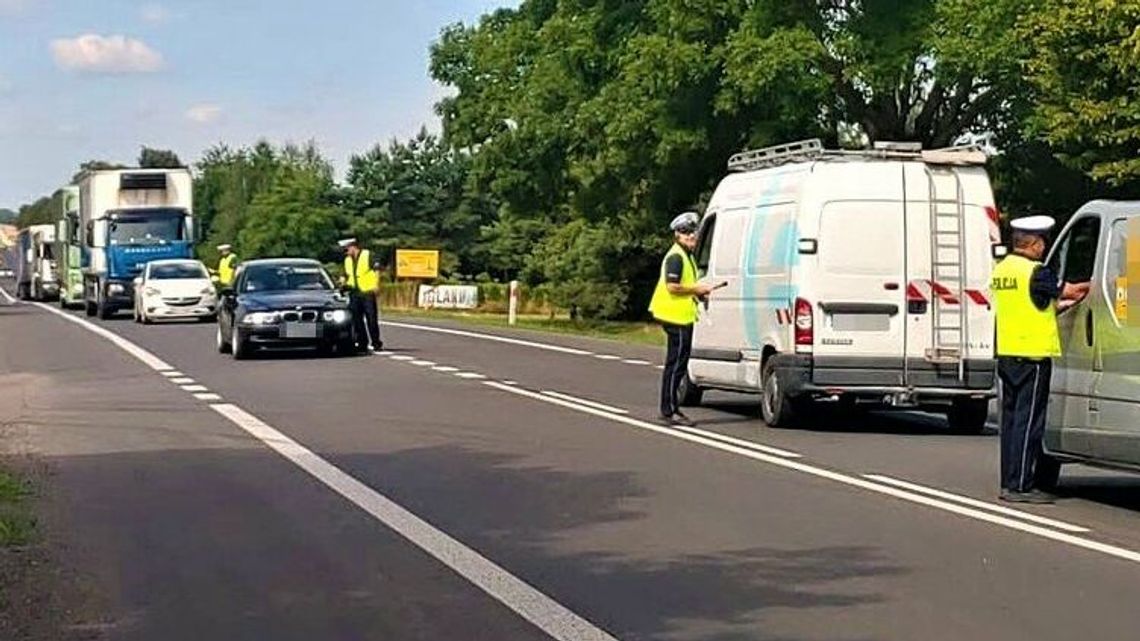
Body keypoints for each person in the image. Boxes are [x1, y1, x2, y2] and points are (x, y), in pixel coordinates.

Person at [991, 215, 1090, 504]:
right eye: (1042, 243)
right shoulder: (1036, 271)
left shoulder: (1003, 269)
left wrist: (1060, 306)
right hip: (1033, 357)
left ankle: (1009, 481)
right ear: (1033, 243)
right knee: (1029, 422)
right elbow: (1069, 290)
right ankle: (1022, 486)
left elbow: (1032, 304)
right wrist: (1097, 285)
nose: (1044, 249)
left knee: (1009, 423)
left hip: (1008, 353)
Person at [649, 211, 719, 427]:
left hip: (681, 315)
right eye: (687, 234)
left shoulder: (686, 255)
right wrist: (697, 288)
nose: (692, 237)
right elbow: (672, 286)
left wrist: (697, 293)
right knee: (676, 363)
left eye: (693, 233)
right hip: (674, 316)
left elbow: (683, 286)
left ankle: (671, 408)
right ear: (677, 235)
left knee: (679, 363)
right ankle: (668, 410)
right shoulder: (676, 257)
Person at [339, 238, 383, 353]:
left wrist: (376, 285)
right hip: (354, 292)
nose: (346, 253)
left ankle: (376, 342)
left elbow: (377, 269)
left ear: (353, 247)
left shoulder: (367, 255)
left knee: (371, 319)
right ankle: (362, 343)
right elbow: (345, 274)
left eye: (346, 250)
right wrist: (343, 283)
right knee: (356, 320)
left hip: (367, 291)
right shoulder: (347, 260)